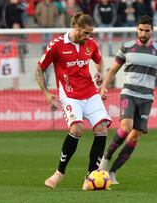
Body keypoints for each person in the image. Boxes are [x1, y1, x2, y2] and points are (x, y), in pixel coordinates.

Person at [36, 13, 111, 190]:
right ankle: (59, 173)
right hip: (70, 95)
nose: (88, 37)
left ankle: (91, 176)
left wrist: (99, 75)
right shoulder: (57, 45)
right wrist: (47, 94)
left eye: (90, 33)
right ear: (76, 28)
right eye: (85, 33)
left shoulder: (90, 43)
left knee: (102, 129)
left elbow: (99, 61)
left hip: (90, 92)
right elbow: (39, 69)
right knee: (76, 129)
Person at [97, 15, 157, 184]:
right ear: (137, 29)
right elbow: (112, 71)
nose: (143, 33)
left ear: (152, 31)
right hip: (129, 93)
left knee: (135, 136)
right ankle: (105, 159)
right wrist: (103, 87)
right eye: (141, 30)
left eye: (147, 30)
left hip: (147, 97)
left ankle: (112, 172)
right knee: (126, 127)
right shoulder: (126, 47)